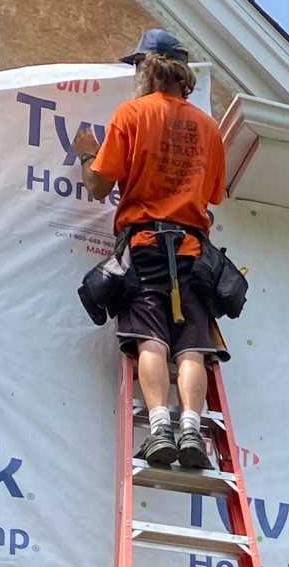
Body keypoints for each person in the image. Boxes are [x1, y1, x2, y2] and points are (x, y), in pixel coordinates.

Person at [74, 28, 226, 471]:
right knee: (192, 348)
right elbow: (212, 196)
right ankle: (192, 430)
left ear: (147, 70)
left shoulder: (132, 114)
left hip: (144, 246)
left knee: (151, 341)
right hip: (194, 253)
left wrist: (87, 154)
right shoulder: (208, 128)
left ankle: (160, 428)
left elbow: (99, 183)